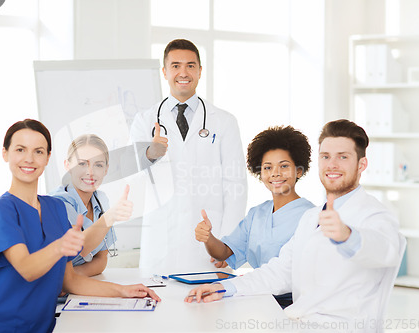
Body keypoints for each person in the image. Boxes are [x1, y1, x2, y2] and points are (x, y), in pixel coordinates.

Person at [185, 119, 402, 331]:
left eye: (343, 157)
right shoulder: (311, 217)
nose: (332, 164)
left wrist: (348, 236)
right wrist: (223, 288)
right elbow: (280, 272)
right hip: (299, 322)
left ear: (361, 164)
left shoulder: (375, 215)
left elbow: (386, 250)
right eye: (325, 156)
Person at [0, 119, 159, 333]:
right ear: (5, 153)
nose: (29, 159)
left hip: (43, 326)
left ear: (48, 158)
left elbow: (70, 281)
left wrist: (123, 291)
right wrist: (60, 247)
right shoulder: (1, 211)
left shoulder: (55, 207)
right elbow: (27, 269)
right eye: (20, 149)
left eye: (38, 151)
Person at [130, 39, 247, 274]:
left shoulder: (224, 121)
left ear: (200, 71)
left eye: (190, 65)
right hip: (161, 242)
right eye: (175, 66)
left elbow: (235, 185)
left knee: (210, 307)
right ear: (164, 72)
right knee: (160, 304)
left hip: (208, 242)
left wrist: (227, 244)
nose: (183, 72)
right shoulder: (144, 121)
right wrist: (149, 154)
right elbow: (131, 179)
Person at [194, 126, 314, 308]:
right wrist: (208, 238)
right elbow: (223, 252)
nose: (275, 173)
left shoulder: (311, 216)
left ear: (299, 170)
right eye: (268, 167)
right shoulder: (257, 214)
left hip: (293, 304)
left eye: (284, 166)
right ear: (260, 173)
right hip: (256, 296)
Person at [50, 134, 132, 276]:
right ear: (67, 166)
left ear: (106, 169)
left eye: (98, 165)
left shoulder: (101, 200)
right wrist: (110, 216)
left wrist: (71, 279)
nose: (90, 172)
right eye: (82, 164)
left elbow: (101, 259)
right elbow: (82, 247)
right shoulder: (57, 202)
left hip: (75, 286)